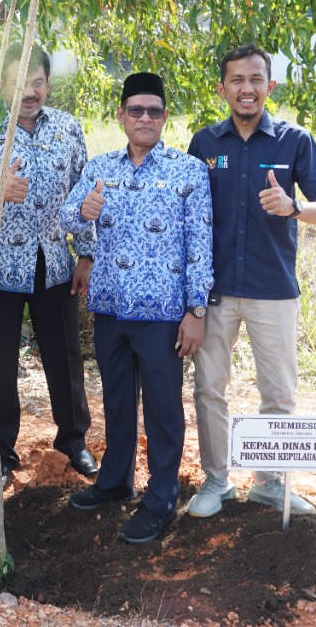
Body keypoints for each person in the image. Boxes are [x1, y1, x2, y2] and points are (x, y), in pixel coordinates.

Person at [185, 43, 316, 519]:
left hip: (272, 289)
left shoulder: (294, 141)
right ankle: (217, 481)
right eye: (237, 80)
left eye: (256, 80)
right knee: (210, 387)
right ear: (222, 89)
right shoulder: (204, 144)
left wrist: (296, 207)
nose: (246, 89)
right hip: (214, 291)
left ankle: (270, 483)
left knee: (278, 391)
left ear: (269, 86)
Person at [59, 72, 213, 545]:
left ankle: (161, 496)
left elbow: (200, 245)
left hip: (165, 314)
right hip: (109, 308)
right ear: (122, 116)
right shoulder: (100, 169)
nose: (145, 118)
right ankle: (114, 481)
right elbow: (66, 216)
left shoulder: (188, 172)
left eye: (154, 111)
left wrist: (196, 311)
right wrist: (82, 212)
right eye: (136, 110)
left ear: (165, 118)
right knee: (118, 399)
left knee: (165, 408)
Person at [0, 42, 97, 489]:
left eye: (37, 82)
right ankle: (1, 451)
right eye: (18, 82)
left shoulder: (68, 129)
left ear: (48, 84)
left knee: (65, 356)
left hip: (53, 262)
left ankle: (73, 441)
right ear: (2, 84)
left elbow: (82, 197)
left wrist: (85, 253)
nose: (29, 92)